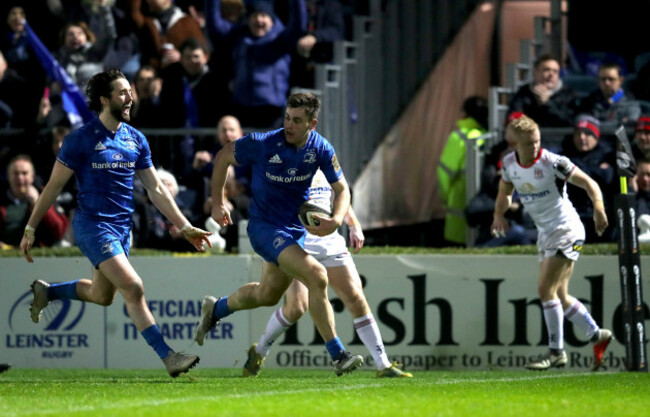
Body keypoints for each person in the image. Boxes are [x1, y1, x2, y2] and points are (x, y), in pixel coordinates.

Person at [19, 69, 211, 378]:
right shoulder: (80, 140)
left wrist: (185, 225)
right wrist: (30, 227)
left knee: (102, 296)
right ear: (104, 100)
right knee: (133, 287)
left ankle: (48, 293)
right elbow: (52, 187)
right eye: (122, 92)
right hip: (92, 226)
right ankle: (169, 357)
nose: (130, 97)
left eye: (130, 91)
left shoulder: (135, 139)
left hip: (122, 229)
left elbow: (156, 189)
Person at [195, 92, 364, 376]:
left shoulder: (321, 148)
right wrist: (217, 200)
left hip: (293, 231)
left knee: (268, 294)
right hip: (263, 228)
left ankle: (216, 309)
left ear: (312, 123)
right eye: (287, 117)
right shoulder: (264, 143)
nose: (289, 125)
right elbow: (223, 156)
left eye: (297, 121)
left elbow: (342, 189)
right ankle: (338, 355)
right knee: (318, 276)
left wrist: (336, 220)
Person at [241, 169, 411, 378]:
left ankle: (383, 365)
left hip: (331, 244)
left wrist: (354, 224)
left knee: (356, 298)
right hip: (297, 246)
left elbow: (340, 196)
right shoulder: (282, 166)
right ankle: (260, 350)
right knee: (296, 307)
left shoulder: (324, 158)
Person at [491, 115, 613, 371]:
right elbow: (505, 192)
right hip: (546, 233)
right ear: (515, 144)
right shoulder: (509, 164)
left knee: (545, 289)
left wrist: (599, 209)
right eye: (529, 144)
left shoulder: (553, 162)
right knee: (560, 295)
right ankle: (596, 335)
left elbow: (590, 183)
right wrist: (498, 215)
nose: (535, 147)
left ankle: (556, 352)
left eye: (537, 141)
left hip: (567, 229)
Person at [204, 0, 307, 128]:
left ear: (271, 19)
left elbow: (299, 23)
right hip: (242, 108)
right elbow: (215, 27)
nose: (259, 20)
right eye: (254, 16)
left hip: (273, 111)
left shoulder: (281, 39)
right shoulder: (238, 37)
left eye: (263, 15)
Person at [437, 96, 488, 246]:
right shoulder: (490, 136)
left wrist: (446, 198)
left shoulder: (458, 137)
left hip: (460, 202)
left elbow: (444, 172)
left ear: (464, 113)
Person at [559, 114, 616, 243]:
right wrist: (596, 170)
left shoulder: (607, 154)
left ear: (596, 137)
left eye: (587, 134)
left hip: (602, 211)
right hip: (574, 212)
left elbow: (607, 177)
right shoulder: (565, 154)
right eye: (578, 134)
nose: (582, 138)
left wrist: (580, 170)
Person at [1, 155, 69, 249]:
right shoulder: (2, 201)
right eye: (15, 173)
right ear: (8, 176)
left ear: (32, 177)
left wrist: (37, 202)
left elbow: (59, 230)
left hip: (39, 257)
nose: (20, 178)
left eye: (24, 173)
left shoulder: (45, 195)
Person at [507, 54, 577, 129]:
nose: (551, 74)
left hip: (559, 138)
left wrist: (547, 103)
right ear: (535, 73)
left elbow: (570, 122)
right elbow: (515, 119)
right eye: (546, 70)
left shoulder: (568, 94)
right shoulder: (523, 93)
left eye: (555, 71)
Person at [578, 62, 640, 127]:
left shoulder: (630, 102)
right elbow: (582, 122)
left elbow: (631, 122)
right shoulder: (588, 102)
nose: (607, 83)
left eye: (611, 79)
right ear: (598, 81)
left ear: (620, 80)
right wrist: (620, 122)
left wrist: (595, 124)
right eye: (603, 79)